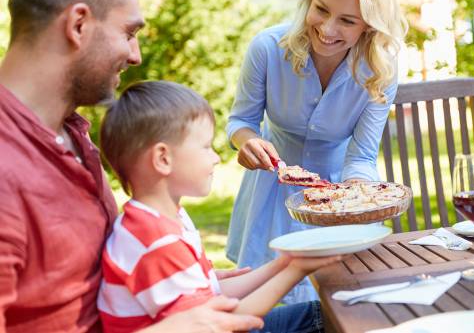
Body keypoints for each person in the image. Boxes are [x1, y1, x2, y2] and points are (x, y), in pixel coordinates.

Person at [0, 0, 263, 332]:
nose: (136, 54)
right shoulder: (8, 166)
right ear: (78, 25)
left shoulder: (72, 135)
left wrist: (192, 284)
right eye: (129, 32)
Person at [226, 0, 408, 303]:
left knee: (338, 305)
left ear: (369, 24)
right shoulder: (266, 48)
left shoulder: (380, 71)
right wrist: (245, 142)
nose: (327, 29)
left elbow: (362, 157)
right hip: (271, 193)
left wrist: (355, 200)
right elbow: (241, 122)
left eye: (347, 21)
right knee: (267, 307)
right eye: (321, 9)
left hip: (338, 196)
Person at [98, 80, 339, 332]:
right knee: (330, 320)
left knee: (326, 315)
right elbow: (220, 322)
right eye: (206, 147)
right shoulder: (155, 241)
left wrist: (284, 263)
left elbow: (210, 292)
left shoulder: (166, 219)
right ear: (163, 158)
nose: (215, 158)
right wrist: (297, 270)